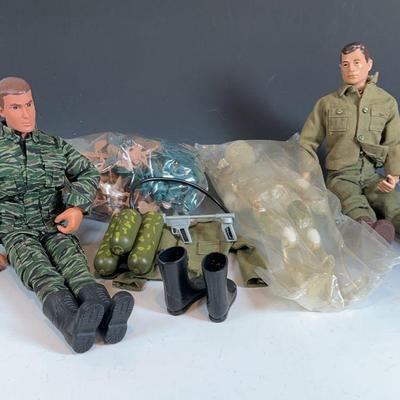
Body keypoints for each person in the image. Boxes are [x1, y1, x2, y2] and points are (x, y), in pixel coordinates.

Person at [0, 76, 134, 353]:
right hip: (16, 230)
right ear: (1, 111)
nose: (26, 114)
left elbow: (86, 172)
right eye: (16, 107)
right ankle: (72, 325)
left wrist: (76, 207)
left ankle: (106, 314)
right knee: (40, 270)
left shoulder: (53, 145)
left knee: (74, 263)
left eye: (29, 104)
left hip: (54, 223)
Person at [299, 42, 400, 243]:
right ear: (340, 68)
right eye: (345, 64)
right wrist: (306, 170)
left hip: (372, 175)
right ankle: (370, 231)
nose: (351, 69)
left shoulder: (386, 102)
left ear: (369, 64)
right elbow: (308, 140)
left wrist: (394, 175)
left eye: (356, 62)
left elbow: (394, 141)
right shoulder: (327, 103)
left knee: (391, 202)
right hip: (341, 176)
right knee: (351, 202)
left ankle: (389, 224)